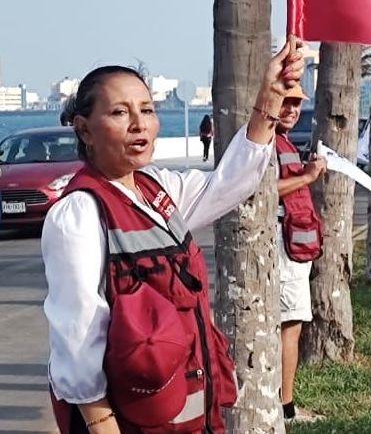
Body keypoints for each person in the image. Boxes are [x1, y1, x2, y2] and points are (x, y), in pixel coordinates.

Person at [41, 38, 304, 434]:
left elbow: (229, 184)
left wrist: (269, 98)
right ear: (84, 129)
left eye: (147, 110)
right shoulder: (79, 214)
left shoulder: (158, 190)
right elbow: (77, 343)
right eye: (119, 112)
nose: (139, 124)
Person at [274, 83, 326, 425]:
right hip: (284, 249)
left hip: (292, 247)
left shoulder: (283, 141)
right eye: (286, 103)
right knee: (289, 326)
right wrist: (307, 176)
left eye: (296, 104)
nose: (292, 110)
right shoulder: (270, 142)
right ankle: (286, 408)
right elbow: (265, 189)